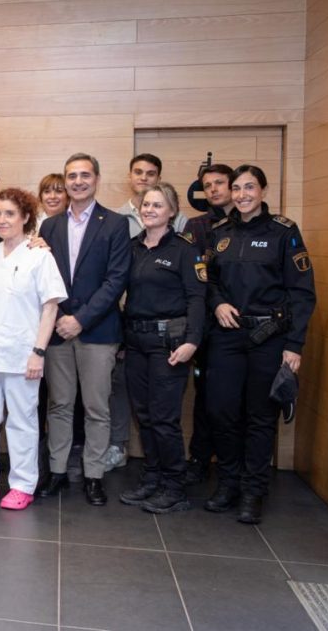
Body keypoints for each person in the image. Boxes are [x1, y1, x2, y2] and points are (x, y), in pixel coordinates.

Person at [204, 164, 316, 524]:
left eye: (249, 187)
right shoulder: (220, 232)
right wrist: (217, 303)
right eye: (237, 188)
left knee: (260, 417)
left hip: (270, 337)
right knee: (221, 411)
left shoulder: (284, 232)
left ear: (263, 191)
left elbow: (302, 292)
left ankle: (253, 491)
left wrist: (294, 345)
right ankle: (229, 483)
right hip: (227, 336)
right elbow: (208, 280)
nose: (242, 195)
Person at [0, 188, 67, 510]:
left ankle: (22, 485)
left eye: (10, 213)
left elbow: (50, 307)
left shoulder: (39, 256)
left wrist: (38, 352)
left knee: (21, 422)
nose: (2, 220)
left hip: (23, 355)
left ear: (25, 217)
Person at [37, 153, 131, 506]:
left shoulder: (116, 224)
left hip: (97, 331)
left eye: (84, 175)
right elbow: (44, 278)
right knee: (59, 405)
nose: (78, 181)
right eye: (72, 176)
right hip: (58, 330)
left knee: (96, 408)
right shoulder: (50, 226)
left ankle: (93, 476)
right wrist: (63, 316)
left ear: (96, 179)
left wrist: (81, 319)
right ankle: (58, 471)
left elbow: (116, 280)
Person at [118, 183, 205, 514]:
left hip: (169, 344)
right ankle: (152, 478)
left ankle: (174, 487)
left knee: (164, 418)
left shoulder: (185, 249)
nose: (149, 210)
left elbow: (197, 298)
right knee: (144, 416)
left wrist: (192, 341)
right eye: (146, 204)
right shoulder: (133, 247)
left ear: (172, 211)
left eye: (157, 205)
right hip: (136, 342)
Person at [180, 163, 233, 484]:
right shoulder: (197, 226)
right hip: (209, 327)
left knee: (238, 404)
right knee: (206, 398)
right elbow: (196, 279)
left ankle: (234, 468)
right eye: (208, 185)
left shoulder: (255, 226)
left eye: (220, 183)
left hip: (247, 328)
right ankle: (200, 459)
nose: (213, 189)